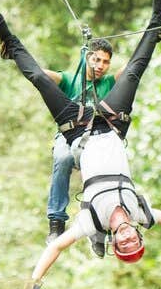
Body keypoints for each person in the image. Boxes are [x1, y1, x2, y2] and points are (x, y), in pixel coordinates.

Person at [0, 0, 161, 289]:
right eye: (134, 241)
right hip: (113, 124)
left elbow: (56, 247)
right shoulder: (140, 213)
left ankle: (9, 39)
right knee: (135, 70)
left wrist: (34, 283)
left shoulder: (92, 223)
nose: (129, 238)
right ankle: (157, 19)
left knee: (38, 79)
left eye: (124, 244)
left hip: (78, 130)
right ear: (138, 234)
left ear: (116, 242)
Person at [42, 36, 122, 240]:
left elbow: (133, 70)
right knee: (63, 159)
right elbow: (41, 75)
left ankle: (99, 226)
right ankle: (56, 221)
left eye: (106, 62)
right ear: (87, 58)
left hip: (96, 138)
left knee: (105, 170)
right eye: (96, 60)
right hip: (69, 135)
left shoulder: (109, 83)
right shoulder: (70, 79)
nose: (101, 66)